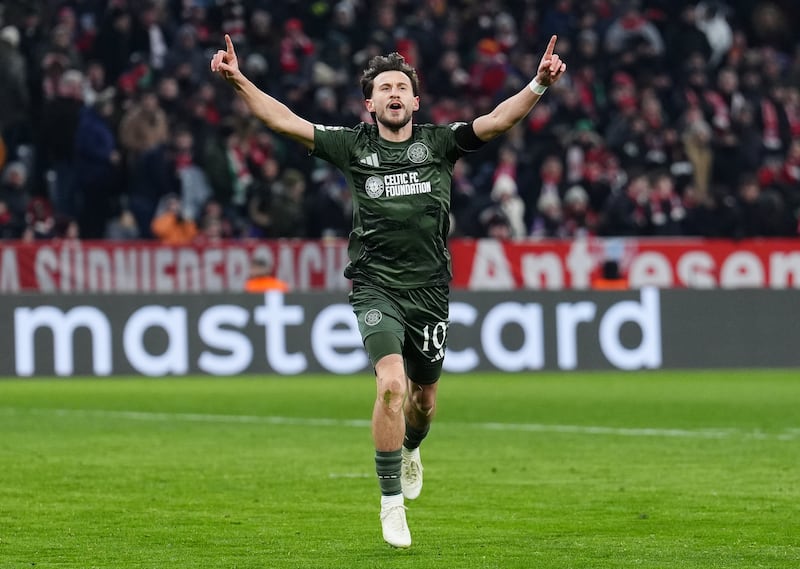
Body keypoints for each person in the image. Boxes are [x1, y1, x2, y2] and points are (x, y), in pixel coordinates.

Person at [211, 33, 566, 549]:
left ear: (415, 101)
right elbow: (285, 120)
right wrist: (239, 80)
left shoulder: (440, 143)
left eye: (402, 86)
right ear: (370, 103)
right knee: (391, 385)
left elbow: (497, 120)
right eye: (385, 88)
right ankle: (390, 504)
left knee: (422, 401)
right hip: (376, 286)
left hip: (430, 292)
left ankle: (413, 448)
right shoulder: (353, 146)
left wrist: (538, 83)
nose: (395, 93)